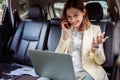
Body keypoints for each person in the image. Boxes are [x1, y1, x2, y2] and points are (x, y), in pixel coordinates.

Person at [55, 0, 109, 80]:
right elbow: (57, 56)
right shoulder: (66, 29)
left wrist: (95, 48)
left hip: (86, 71)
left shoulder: (95, 29)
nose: (72, 20)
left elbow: (100, 61)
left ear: (83, 12)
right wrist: (65, 34)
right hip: (66, 70)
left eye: (76, 15)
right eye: (69, 16)